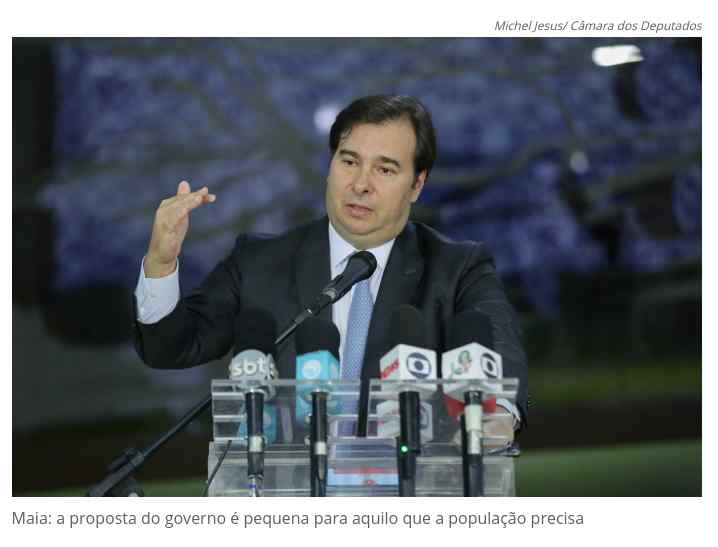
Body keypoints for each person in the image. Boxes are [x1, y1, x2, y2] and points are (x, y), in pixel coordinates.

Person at [132, 95, 528, 437]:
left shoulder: (456, 268)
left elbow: (498, 345)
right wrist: (160, 263)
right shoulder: (259, 261)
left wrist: (497, 417)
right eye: (349, 161)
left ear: (417, 184)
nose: (361, 184)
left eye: (385, 169)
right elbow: (170, 348)